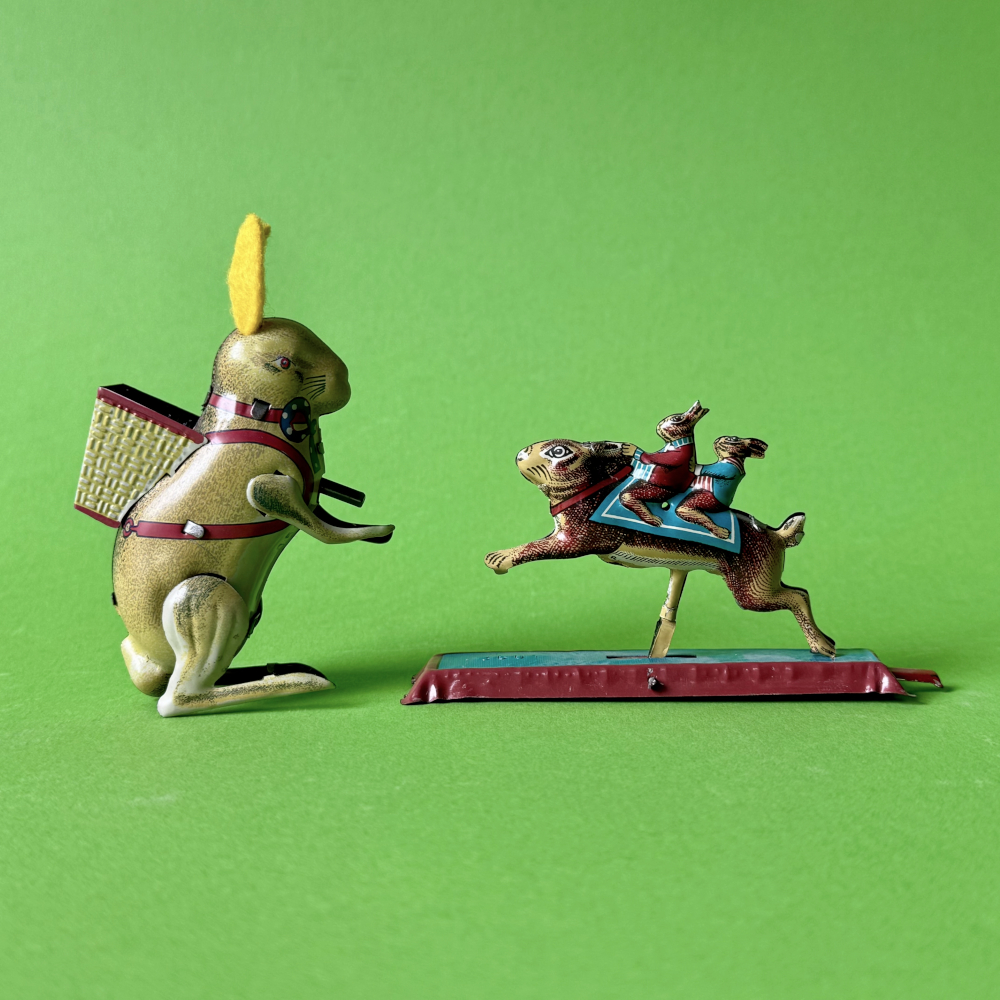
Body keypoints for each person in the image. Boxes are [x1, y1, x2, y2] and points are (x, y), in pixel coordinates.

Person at [618, 401, 709, 528]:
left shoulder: (683, 451)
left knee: (627, 497)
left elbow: (661, 459)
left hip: (664, 488)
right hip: (656, 482)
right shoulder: (675, 445)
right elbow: (660, 456)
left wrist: (638, 453)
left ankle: (649, 518)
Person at [673, 436, 768, 539]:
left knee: (683, 509)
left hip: (714, 499)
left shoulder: (730, 467)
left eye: (731, 440)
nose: (720, 442)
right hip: (709, 491)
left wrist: (690, 466)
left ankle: (714, 528)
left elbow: (701, 469)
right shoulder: (730, 464)